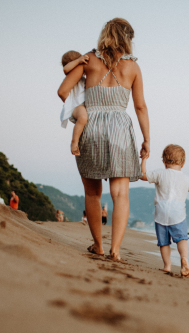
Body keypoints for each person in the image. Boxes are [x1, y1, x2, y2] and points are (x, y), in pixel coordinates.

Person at [58, 18, 150, 261]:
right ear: (127, 38)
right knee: (120, 193)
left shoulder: (88, 59)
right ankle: (115, 251)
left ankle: (98, 245)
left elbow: (64, 90)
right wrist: (146, 139)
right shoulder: (133, 67)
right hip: (120, 127)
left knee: (92, 192)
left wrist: (82, 110)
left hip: (91, 125)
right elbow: (140, 107)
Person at [141, 145, 189, 277]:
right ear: (183, 163)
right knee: (181, 239)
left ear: (164, 161)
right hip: (178, 215)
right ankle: (184, 260)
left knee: (164, 243)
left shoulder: (160, 173)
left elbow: (143, 175)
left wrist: (144, 159)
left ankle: (167, 266)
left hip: (161, 214)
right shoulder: (185, 178)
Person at [59, 51, 89, 156]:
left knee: (85, 118)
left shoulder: (82, 79)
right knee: (83, 117)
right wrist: (78, 61)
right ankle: (74, 142)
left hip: (83, 104)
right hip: (76, 106)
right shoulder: (69, 76)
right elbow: (66, 69)